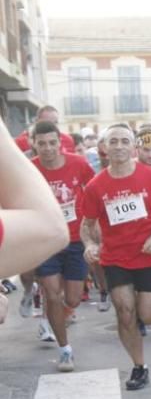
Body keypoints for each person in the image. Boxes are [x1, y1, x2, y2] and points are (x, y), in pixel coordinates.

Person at [81, 124, 151, 390]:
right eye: (114, 141)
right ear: (104, 148)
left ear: (133, 147)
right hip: (115, 258)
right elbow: (86, 224)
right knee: (124, 311)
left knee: (148, 316)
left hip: (147, 256)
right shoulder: (96, 186)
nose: (119, 146)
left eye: (124, 141)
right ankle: (139, 366)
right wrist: (89, 245)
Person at [30, 120, 94, 369]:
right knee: (53, 295)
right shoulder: (30, 169)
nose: (47, 148)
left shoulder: (78, 164)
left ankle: (54, 316)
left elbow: (94, 191)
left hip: (75, 239)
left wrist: (95, 227)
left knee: (74, 299)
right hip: (45, 240)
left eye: (52, 143)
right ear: (34, 144)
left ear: (60, 143)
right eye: (42, 143)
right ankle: (64, 349)